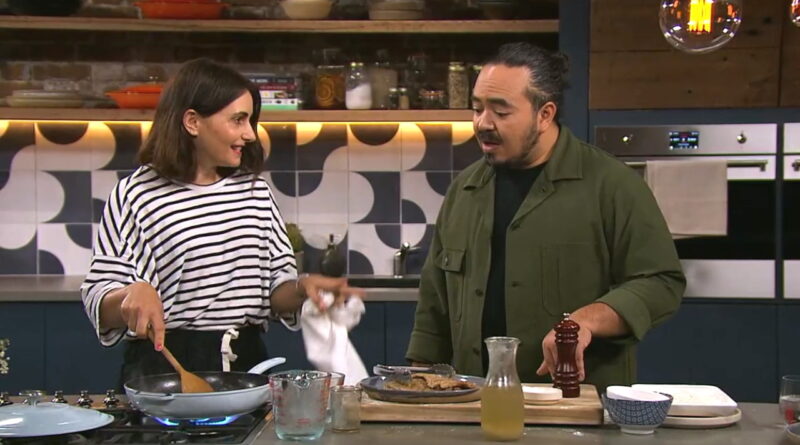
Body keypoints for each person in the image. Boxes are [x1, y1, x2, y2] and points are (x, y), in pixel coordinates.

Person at [405, 43, 685, 390]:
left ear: (545, 114)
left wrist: (587, 320)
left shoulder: (612, 185)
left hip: (576, 404)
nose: (483, 123)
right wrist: (419, 389)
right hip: (474, 402)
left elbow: (660, 282)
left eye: (501, 112)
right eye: (477, 109)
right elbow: (434, 307)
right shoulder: (464, 191)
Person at [80, 58, 363, 385]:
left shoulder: (255, 192)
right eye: (238, 120)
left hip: (247, 368)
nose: (250, 134)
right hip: (166, 370)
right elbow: (99, 298)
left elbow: (275, 289)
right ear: (192, 122)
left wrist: (302, 288)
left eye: (250, 121)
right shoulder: (136, 195)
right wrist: (132, 294)